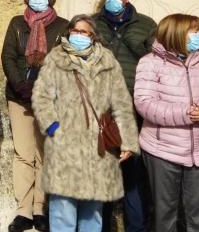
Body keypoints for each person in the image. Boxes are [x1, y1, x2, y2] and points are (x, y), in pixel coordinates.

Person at [32, 14, 139, 232]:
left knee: (93, 212)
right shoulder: (56, 59)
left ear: (94, 37)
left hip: (97, 147)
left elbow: (121, 103)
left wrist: (128, 141)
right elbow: (41, 97)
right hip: (65, 145)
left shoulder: (107, 61)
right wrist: (54, 128)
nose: (78, 36)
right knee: (63, 208)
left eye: (84, 32)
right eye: (75, 31)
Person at [134, 14, 199, 232]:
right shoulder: (150, 63)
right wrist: (188, 113)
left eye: (198, 30)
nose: (198, 36)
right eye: (193, 31)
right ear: (176, 34)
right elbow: (145, 104)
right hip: (162, 151)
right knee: (165, 215)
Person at [2, 0, 69, 232]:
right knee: (23, 154)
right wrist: (20, 84)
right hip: (18, 97)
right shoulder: (17, 23)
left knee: (44, 153)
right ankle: (23, 211)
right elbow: (8, 55)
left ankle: (40, 208)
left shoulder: (63, 26)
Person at [93, 0, 155, 232]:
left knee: (134, 178)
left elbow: (156, 60)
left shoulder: (146, 25)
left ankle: (136, 227)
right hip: (101, 111)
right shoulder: (91, 24)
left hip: (134, 111)